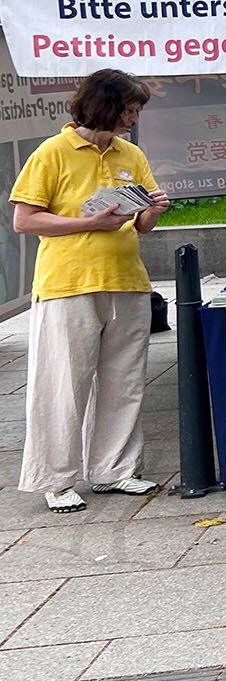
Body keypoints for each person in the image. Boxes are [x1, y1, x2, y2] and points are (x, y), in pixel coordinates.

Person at [9, 70, 171, 513]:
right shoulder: (53, 152)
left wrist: (153, 209)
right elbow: (25, 220)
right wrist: (88, 223)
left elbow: (142, 225)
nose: (134, 118)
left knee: (125, 382)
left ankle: (115, 469)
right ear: (106, 105)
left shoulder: (131, 154)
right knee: (63, 383)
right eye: (130, 109)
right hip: (68, 283)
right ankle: (55, 479)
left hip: (127, 280)